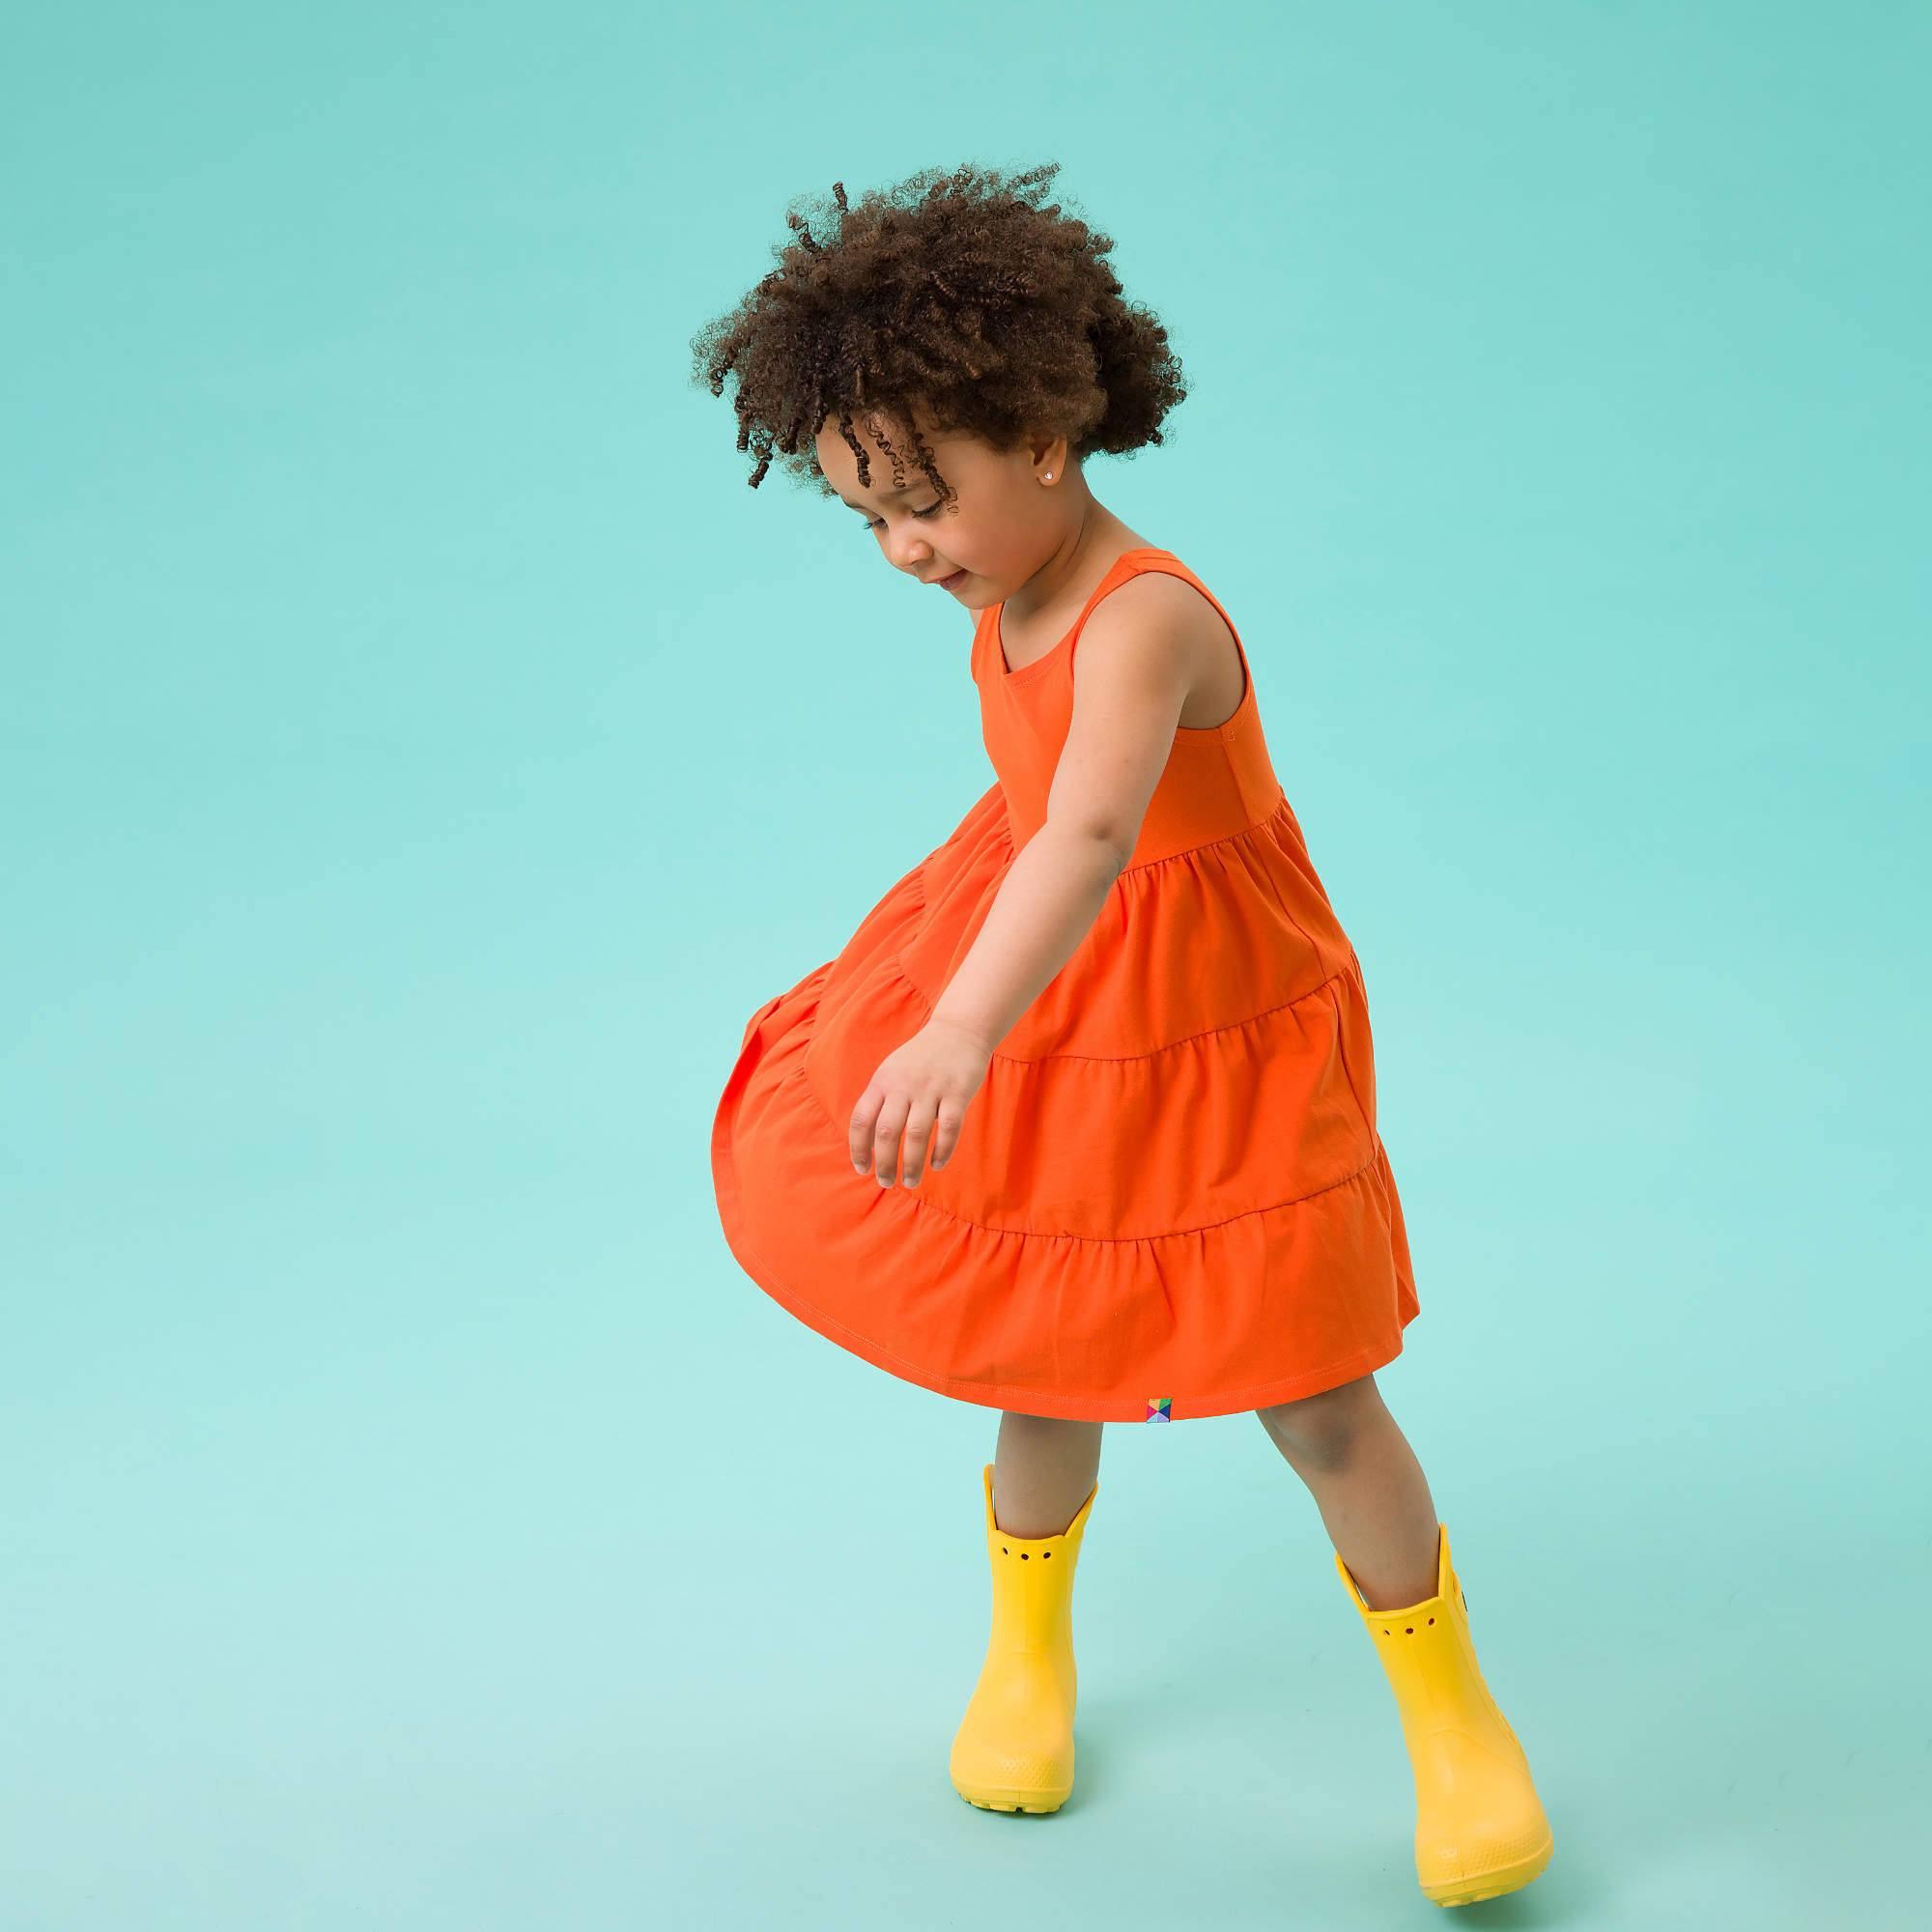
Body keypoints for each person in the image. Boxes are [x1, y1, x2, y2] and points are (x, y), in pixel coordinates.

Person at [692, 161, 1552, 1909]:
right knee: (1038, 1339)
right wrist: (968, 1011)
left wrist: (954, 1031)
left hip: (1201, 1018)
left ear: (1048, 440)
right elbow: (1037, 835)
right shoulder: (1002, 591)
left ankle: (1454, 1712)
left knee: (1315, 1389)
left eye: (923, 498)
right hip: (1059, 990)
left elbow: (1095, 833)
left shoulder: (1142, 611)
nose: (903, 548)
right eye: (869, 517)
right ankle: (1027, 1653)